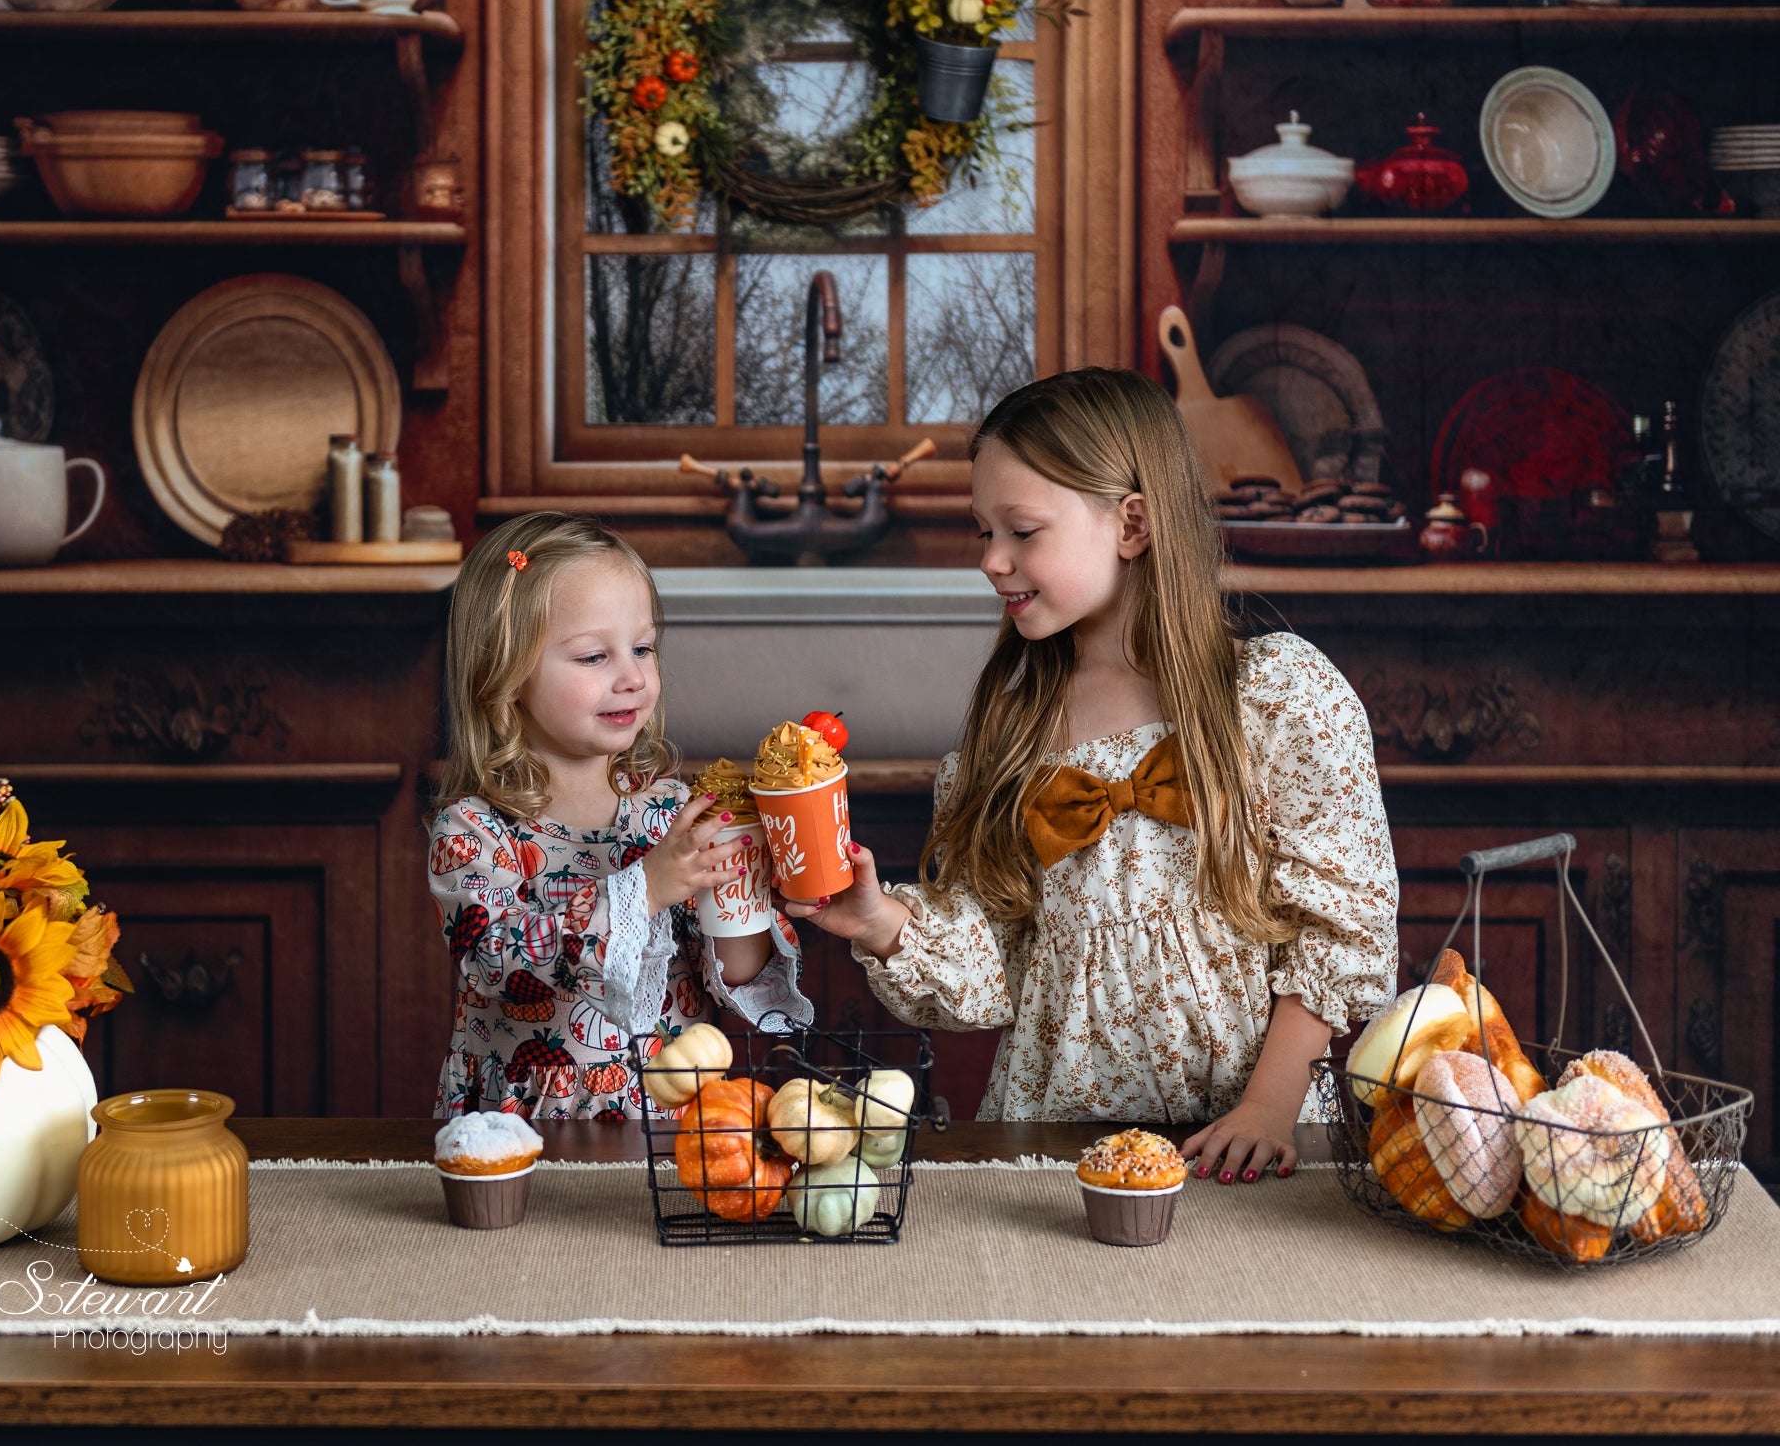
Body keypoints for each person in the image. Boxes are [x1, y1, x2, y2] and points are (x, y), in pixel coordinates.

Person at [780, 367, 1398, 1183]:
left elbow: (1340, 923)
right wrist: (881, 921)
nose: (993, 560)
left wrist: (1268, 1105)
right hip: (1049, 1147)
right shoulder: (1010, 735)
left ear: (1131, 524)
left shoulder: (1278, 697)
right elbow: (988, 963)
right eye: (981, 532)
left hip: (1249, 1138)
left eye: (1022, 530)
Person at [430, 511, 810, 1119]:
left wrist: (743, 885)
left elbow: (734, 973)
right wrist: (646, 887)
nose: (633, 677)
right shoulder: (475, 831)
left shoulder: (666, 812)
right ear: (504, 672)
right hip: (529, 1125)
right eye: (592, 657)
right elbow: (500, 962)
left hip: (671, 1125)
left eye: (642, 648)